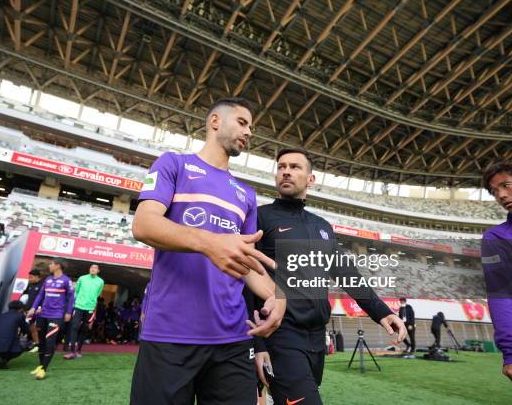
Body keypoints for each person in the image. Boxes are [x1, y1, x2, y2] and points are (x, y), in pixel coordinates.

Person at [130, 97, 286, 405]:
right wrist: (210, 242)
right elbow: (144, 225)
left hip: (232, 339)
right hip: (170, 335)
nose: (249, 132)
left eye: (251, 127)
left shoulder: (247, 195)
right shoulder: (173, 164)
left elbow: (247, 261)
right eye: (242, 122)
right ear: (214, 121)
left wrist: (277, 297)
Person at [248, 148, 406, 405]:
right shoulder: (260, 218)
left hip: (316, 337)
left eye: (295, 167)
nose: (286, 171)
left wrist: (382, 312)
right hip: (280, 334)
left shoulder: (322, 226)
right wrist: (258, 345)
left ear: (311, 179)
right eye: (281, 167)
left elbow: (346, 273)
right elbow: (247, 280)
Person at [481, 159, 512, 391]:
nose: (501, 195)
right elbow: (501, 294)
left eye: (507, 185)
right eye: (495, 192)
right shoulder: (497, 238)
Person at [27, 258, 74, 380]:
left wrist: (69, 312)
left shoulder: (66, 281)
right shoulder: (47, 280)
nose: (50, 266)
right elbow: (40, 295)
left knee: (49, 342)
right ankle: (40, 365)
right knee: (41, 341)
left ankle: (44, 369)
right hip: (43, 314)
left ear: (58, 266)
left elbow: (71, 298)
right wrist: (33, 308)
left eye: (52, 264)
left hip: (57, 315)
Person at [64, 264, 104, 359]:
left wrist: (92, 303)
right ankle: (71, 350)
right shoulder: (82, 278)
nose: (92, 269)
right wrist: (76, 302)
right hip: (79, 306)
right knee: (74, 326)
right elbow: (76, 291)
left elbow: (97, 293)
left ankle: (79, 350)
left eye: (95, 268)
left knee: (84, 329)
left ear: (98, 271)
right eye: (91, 267)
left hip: (90, 308)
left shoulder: (101, 281)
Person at [0, 300, 28, 369]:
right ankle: (4, 360)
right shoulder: (20, 315)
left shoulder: (1, 315)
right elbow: (25, 329)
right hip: (6, 346)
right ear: (21, 308)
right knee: (22, 345)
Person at [20, 269, 43, 352]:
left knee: (35, 328)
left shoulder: (43, 285)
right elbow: (24, 295)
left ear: (37, 277)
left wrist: (40, 308)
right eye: (29, 277)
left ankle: (38, 344)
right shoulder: (30, 285)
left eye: (31, 277)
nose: (30, 279)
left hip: (39, 311)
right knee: (29, 326)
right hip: (28, 310)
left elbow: (44, 298)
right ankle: (29, 342)